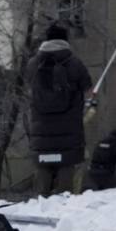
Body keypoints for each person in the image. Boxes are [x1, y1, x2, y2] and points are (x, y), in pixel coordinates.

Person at [26, 23, 93, 196]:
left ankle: (40, 202)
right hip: (68, 129)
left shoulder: (33, 64)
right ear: (65, 40)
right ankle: (63, 203)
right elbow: (88, 88)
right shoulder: (74, 63)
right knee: (66, 167)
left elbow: (29, 88)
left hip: (41, 130)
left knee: (42, 170)